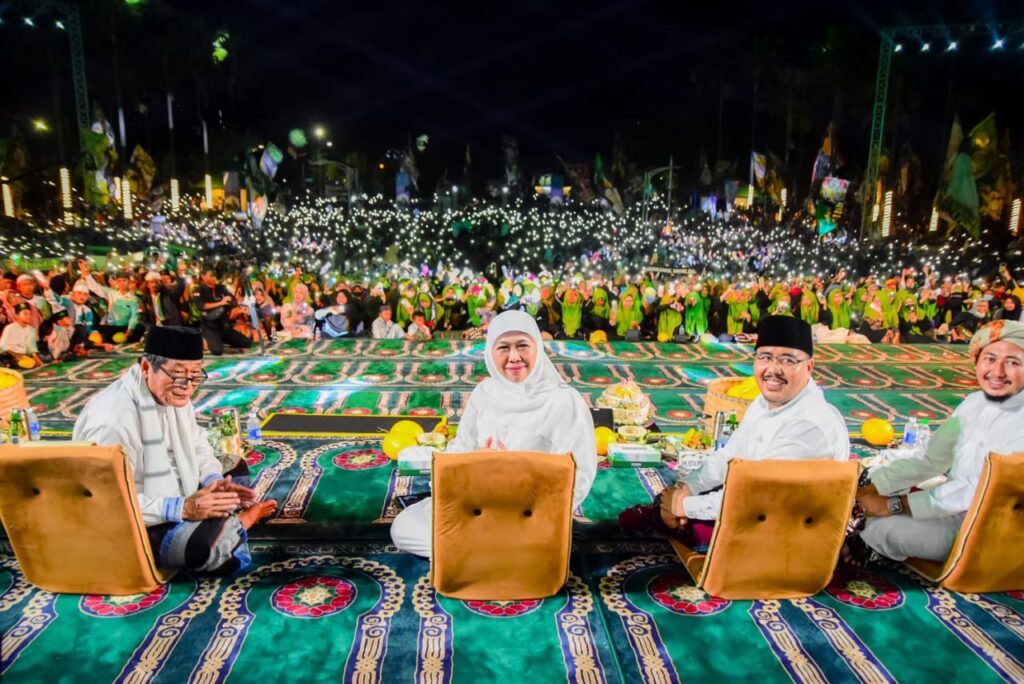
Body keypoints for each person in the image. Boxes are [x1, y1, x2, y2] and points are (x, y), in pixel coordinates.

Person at [620, 316, 851, 542]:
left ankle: (666, 520)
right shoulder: (763, 404)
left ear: (809, 367)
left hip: (785, 532)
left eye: (788, 360)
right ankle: (665, 515)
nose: (773, 369)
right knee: (682, 496)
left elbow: (760, 498)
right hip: (757, 504)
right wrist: (687, 487)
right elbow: (729, 457)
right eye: (766, 357)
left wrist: (683, 506)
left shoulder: (809, 424)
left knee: (691, 518)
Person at [390, 310, 598, 558]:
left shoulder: (564, 402)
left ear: (538, 349)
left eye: (522, 346)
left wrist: (513, 473)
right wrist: (476, 461)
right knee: (404, 527)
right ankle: (499, 551)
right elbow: (461, 448)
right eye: (503, 348)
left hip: (532, 514)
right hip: (479, 506)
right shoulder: (485, 393)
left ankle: (484, 550)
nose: (514, 357)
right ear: (491, 351)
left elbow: (581, 475)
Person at [73, 326, 277, 574]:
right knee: (203, 547)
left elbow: (198, 443)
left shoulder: (172, 394)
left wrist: (213, 481)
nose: (188, 386)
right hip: (136, 520)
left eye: (195, 375)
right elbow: (107, 502)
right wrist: (183, 508)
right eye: (179, 375)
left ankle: (222, 518)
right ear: (147, 367)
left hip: (176, 489)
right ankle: (239, 523)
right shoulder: (113, 421)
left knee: (234, 465)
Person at [852, 320, 1024, 563]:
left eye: (1012, 362)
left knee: (886, 529)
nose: (997, 372)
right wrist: (875, 487)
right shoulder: (974, 403)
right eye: (990, 359)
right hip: (951, 510)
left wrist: (894, 505)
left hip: (991, 528)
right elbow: (931, 459)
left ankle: (867, 548)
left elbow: (979, 489)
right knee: (874, 486)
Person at [197, 270, 253, 355]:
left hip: (224, 326)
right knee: (217, 351)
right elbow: (201, 306)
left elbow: (232, 299)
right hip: (210, 326)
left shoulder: (222, 288)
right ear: (203, 276)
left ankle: (219, 340)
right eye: (211, 275)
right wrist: (221, 303)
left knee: (247, 343)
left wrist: (234, 302)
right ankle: (206, 340)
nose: (214, 278)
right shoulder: (199, 290)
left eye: (215, 275)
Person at [0, 302, 43, 367]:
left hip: (23, 356)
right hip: (8, 355)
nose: (29, 316)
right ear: (16, 316)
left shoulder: (31, 330)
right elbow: (3, 345)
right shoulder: (10, 328)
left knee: (36, 360)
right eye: (25, 314)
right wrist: (17, 356)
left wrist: (35, 357)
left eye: (30, 314)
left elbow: (31, 347)